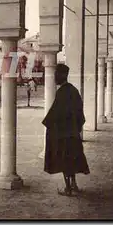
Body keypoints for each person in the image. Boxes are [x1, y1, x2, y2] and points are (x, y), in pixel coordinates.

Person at [42, 63, 90, 196]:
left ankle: (68, 188)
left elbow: (56, 114)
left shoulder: (62, 92)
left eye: (56, 74)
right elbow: (80, 113)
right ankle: (73, 184)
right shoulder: (73, 90)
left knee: (64, 161)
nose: (55, 77)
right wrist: (76, 128)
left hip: (63, 135)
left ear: (62, 75)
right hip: (72, 133)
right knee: (72, 160)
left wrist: (50, 125)